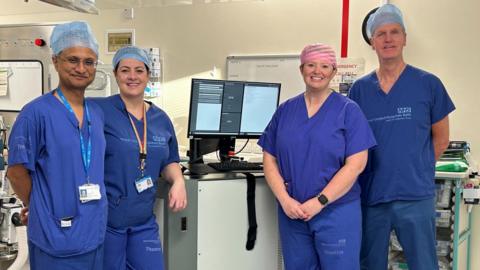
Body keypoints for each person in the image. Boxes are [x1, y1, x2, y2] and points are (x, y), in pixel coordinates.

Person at [348, 4, 455, 270]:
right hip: (373, 196)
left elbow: (441, 138)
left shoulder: (428, 84)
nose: (388, 39)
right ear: (372, 42)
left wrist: (415, 168)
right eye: (381, 34)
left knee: (424, 264)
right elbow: (352, 143)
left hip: (415, 195)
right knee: (370, 264)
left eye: (394, 32)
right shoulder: (359, 90)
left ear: (405, 38)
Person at [258, 43, 376, 270]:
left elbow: (356, 165)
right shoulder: (285, 110)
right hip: (293, 212)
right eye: (311, 65)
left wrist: (320, 201)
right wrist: (284, 200)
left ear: (333, 72)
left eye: (324, 66)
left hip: (336, 212)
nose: (317, 71)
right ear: (301, 69)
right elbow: (269, 157)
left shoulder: (348, 111)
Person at [6, 21, 106, 269]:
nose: (81, 68)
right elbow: (16, 172)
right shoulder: (35, 114)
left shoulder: (97, 113)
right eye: (73, 60)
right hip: (55, 240)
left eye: (89, 62)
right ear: (55, 61)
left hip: (93, 235)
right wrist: (40, 206)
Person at [90, 46, 187, 270]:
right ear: (115, 74)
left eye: (139, 70)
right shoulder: (98, 110)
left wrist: (178, 181)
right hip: (107, 222)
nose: (132, 76)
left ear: (148, 75)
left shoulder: (160, 119)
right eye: (125, 70)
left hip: (143, 221)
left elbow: (170, 159)